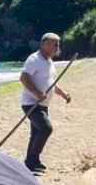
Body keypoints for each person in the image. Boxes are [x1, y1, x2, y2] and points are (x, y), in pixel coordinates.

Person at [18, 33, 71, 174]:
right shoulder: (34, 59)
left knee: (36, 133)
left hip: (43, 105)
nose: (57, 47)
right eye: (54, 44)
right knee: (46, 128)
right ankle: (32, 161)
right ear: (44, 44)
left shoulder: (49, 61)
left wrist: (64, 94)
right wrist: (36, 93)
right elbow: (23, 78)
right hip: (30, 103)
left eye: (58, 44)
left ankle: (32, 162)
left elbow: (52, 84)